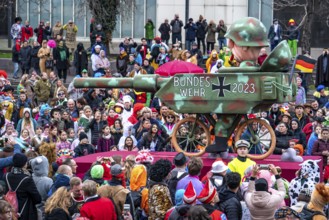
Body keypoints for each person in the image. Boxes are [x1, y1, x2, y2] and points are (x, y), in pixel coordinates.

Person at [5, 153, 42, 220]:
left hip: (9, 211)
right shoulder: (27, 179)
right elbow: (37, 199)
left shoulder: (6, 176)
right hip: (24, 212)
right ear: (24, 164)